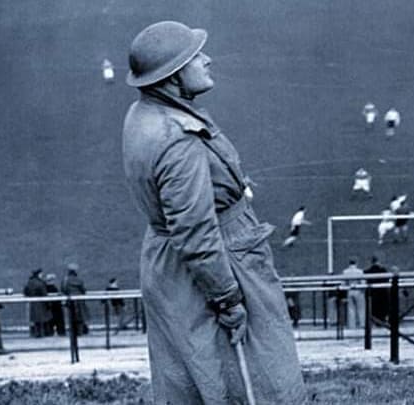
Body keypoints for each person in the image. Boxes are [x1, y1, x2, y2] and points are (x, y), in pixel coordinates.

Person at [121, 21, 305, 403]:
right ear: (173, 77)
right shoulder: (178, 140)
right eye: (194, 56)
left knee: (194, 375)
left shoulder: (143, 115)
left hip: (169, 264)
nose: (207, 59)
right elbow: (195, 233)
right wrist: (229, 300)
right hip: (218, 262)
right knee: (259, 380)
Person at [61, 263, 90, 335]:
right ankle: (80, 332)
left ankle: (73, 333)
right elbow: (83, 290)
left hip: (70, 301)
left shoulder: (65, 280)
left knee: (71, 317)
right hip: (79, 301)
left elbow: (63, 289)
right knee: (80, 317)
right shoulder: (79, 280)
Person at [23, 268, 52, 338]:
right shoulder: (40, 283)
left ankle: (35, 333)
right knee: (42, 319)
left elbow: (25, 291)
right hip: (41, 304)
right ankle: (42, 333)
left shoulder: (29, 282)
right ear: (38, 274)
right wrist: (49, 304)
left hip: (33, 303)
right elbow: (44, 294)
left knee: (35, 320)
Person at [364, 255, 389, 322]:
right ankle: (382, 320)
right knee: (382, 309)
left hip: (372, 293)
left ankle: (374, 321)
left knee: (373, 309)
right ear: (378, 261)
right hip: (382, 293)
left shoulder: (367, 271)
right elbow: (387, 280)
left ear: (371, 262)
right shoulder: (383, 270)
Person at [342, 258, 365, 329]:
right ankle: (362, 323)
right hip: (358, 290)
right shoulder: (360, 271)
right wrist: (363, 290)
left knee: (351, 309)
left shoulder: (345, 272)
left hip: (349, 290)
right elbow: (362, 282)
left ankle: (352, 325)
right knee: (361, 309)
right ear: (356, 263)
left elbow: (343, 283)